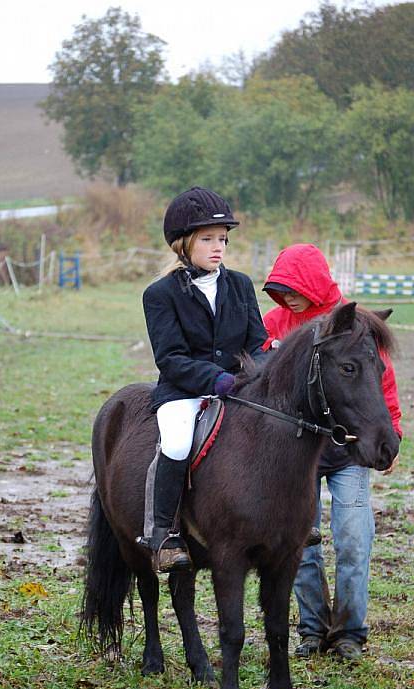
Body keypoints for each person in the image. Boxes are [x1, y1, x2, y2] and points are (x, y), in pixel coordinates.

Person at [262, 243, 402, 661]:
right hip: (297, 454)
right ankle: (312, 629)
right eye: (280, 287)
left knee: (353, 539)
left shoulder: (355, 325)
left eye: (294, 287)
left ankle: (350, 634)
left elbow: (380, 383)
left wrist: (391, 430)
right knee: (301, 542)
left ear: (315, 284)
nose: (287, 296)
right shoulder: (274, 323)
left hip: (348, 450)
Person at [139, 187, 267, 573]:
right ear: (182, 244)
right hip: (183, 392)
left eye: (223, 239)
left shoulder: (240, 285)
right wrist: (217, 379)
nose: (218, 247)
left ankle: (279, 519)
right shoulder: (159, 294)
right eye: (208, 239)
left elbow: (257, 342)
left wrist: (257, 374)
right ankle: (164, 534)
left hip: (238, 390)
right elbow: (171, 358)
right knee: (177, 444)